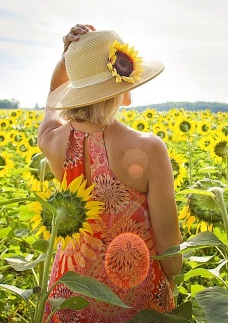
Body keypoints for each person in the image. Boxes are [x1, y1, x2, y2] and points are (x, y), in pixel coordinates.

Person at [37, 24, 182, 322]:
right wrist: (174, 283)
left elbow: (52, 99)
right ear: (123, 91)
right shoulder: (150, 148)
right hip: (134, 292)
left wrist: (68, 59)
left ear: (73, 91)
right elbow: (167, 234)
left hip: (71, 292)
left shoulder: (52, 141)